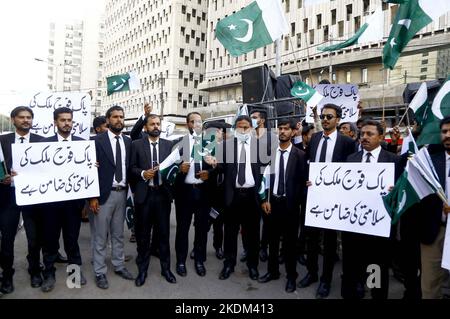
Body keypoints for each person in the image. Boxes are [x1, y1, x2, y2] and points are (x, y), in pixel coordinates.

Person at [299, 104, 356, 298]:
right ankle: (312, 273)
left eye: (329, 116)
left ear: (338, 119)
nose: (325, 119)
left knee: (330, 243)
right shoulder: (314, 138)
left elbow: (353, 170)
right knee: (312, 239)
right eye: (323, 116)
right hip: (314, 197)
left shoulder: (346, 142)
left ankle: (326, 280)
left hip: (334, 200)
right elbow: (308, 162)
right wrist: (307, 179)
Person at [342, 119, 402, 299]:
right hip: (354, 226)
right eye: (362, 134)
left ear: (381, 137)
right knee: (354, 265)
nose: (364, 137)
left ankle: (376, 294)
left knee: (376, 268)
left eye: (370, 134)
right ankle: (355, 290)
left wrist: (395, 191)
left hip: (379, 229)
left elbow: (402, 194)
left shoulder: (394, 161)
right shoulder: (350, 160)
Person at [39, 107, 86, 292]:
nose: (67, 123)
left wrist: (92, 165)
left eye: (70, 120)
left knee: (72, 241)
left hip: (73, 205)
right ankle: (49, 274)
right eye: (63, 120)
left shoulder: (83, 144)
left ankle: (74, 274)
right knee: (50, 241)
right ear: (55, 123)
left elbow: (87, 174)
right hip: (50, 205)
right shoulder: (43, 144)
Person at [258, 119, 308, 293]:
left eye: (286, 129)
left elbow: (303, 183)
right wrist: (264, 200)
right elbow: (264, 179)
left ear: (293, 132)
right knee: (272, 240)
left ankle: (291, 276)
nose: (282, 131)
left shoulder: (300, 155)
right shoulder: (271, 153)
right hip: (272, 204)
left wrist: (298, 203)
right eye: (280, 128)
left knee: (289, 244)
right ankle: (273, 272)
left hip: (290, 206)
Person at [89, 105, 134, 289]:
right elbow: (89, 171)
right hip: (102, 195)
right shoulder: (96, 141)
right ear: (107, 120)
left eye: (121, 117)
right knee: (100, 236)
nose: (119, 120)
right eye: (115, 117)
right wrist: (92, 197)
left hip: (122, 194)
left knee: (118, 234)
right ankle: (99, 271)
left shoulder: (128, 141)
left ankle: (119, 265)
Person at [130, 114, 176, 286]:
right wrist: (143, 174)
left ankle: (166, 269)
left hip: (163, 196)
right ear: (145, 127)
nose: (156, 126)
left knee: (164, 234)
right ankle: (142, 270)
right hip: (144, 195)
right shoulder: (136, 145)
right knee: (143, 235)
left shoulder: (168, 145)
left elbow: (174, 168)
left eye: (158, 124)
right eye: (152, 124)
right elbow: (131, 168)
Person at [0, 107, 42, 293]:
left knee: (34, 238)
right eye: (22, 117)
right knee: (7, 239)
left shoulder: (42, 141)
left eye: (29, 117)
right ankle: (7, 275)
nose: (26, 120)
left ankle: (34, 270)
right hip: (8, 197)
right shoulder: (2, 141)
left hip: (33, 196)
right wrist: (2, 177)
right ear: (13, 119)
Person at [218, 115, 263, 281]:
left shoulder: (260, 146)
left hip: (252, 196)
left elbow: (267, 171)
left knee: (252, 234)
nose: (242, 130)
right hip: (233, 196)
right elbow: (220, 167)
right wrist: (213, 163)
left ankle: (253, 266)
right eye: (239, 127)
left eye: (245, 127)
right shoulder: (227, 146)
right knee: (230, 233)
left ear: (250, 128)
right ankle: (229, 264)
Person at [173, 112, 213, 277]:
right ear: (187, 124)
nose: (196, 124)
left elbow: (217, 167)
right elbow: (170, 172)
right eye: (192, 121)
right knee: (182, 229)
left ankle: (199, 259)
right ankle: (181, 261)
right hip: (185, 193)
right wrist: (180, 171)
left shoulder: (209, 144)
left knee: (202, 229)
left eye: (199, 121)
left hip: (203, 193)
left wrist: (209, 173)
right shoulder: (178, 144)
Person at [418, 116, 450, 299]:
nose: (447, 135)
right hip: (434, 231)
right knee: (430, 285)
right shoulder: (429, 159)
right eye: (444, 131)